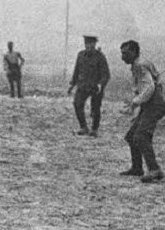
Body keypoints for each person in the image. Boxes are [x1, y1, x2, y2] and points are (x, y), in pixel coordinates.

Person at [118, 40, 165, 183]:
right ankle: (137, 168)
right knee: (132, 136)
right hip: (150, 104)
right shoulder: (138, 64)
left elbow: (149, 87)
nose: (122, 57)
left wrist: (135, 102)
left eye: (125, 53)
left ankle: (155, 169)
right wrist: (134, 106)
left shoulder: (139, 65)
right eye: (122, 53)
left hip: (155, 104)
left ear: (134, 52)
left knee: (141, 136)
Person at [68, 35, 110, 137]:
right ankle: (83, 127)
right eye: (86, 44)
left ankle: (94, 129)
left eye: (91, 44)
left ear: (94, 44)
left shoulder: (100, 57)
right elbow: (76, 71)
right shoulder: (80, 55)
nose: (88, 46)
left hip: (96, 87)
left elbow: (106, 74)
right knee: (77, 104)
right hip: (83, 85)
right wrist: (72, 84)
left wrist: (100, 84)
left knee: (95, 108)